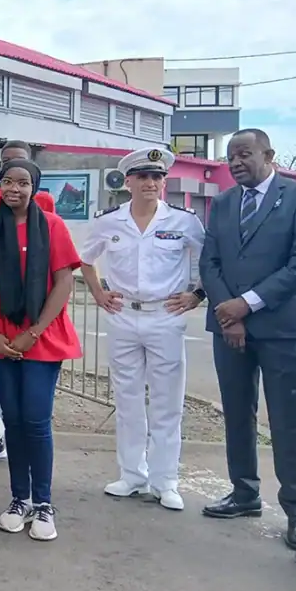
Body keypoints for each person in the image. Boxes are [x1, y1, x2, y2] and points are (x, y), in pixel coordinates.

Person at [80, 148, 205, 511]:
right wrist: (99, 294)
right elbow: (86, 260)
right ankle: (132, 475)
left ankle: (165, 481)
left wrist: (196, 294)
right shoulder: (109, 221)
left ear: (164, 182)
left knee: (167, 403)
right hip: (123, 316)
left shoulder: (183, 221)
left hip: (165, 315)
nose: (151, 183)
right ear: (128, 182)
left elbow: (208, 260)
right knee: (128, 399)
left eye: (157, 177)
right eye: (143, 177)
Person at [0, 159, 81, 541]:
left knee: (35, 420)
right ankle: (19, 499)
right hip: (2, 341)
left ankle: (44, 503)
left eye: (22, 183)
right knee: (12, 422)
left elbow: (64, 282)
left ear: (35, 187)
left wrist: (33, 332)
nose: (13, 189)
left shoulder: (52, 226)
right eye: (7, 182)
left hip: (40, 339)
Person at [199, 128, 296, 552]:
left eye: (244, 154)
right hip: (229, 329)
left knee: (287, 421)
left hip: (280, 330)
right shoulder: (222, 205)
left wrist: (248, 304)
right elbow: (210, 262)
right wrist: (228, 312)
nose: (236, 162)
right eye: (230, 157)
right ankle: (244, 493)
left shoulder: (294, 198)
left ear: (268, 154)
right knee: (237, 413)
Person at [0, 139, 55, 467]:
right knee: (3, 392)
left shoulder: (46, 209)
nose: (13, 185)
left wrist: (37, 326)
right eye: (6, 172)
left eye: (22, 175)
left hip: (34, 317)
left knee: (34, 411)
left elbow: (56, 271)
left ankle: (39, 493)